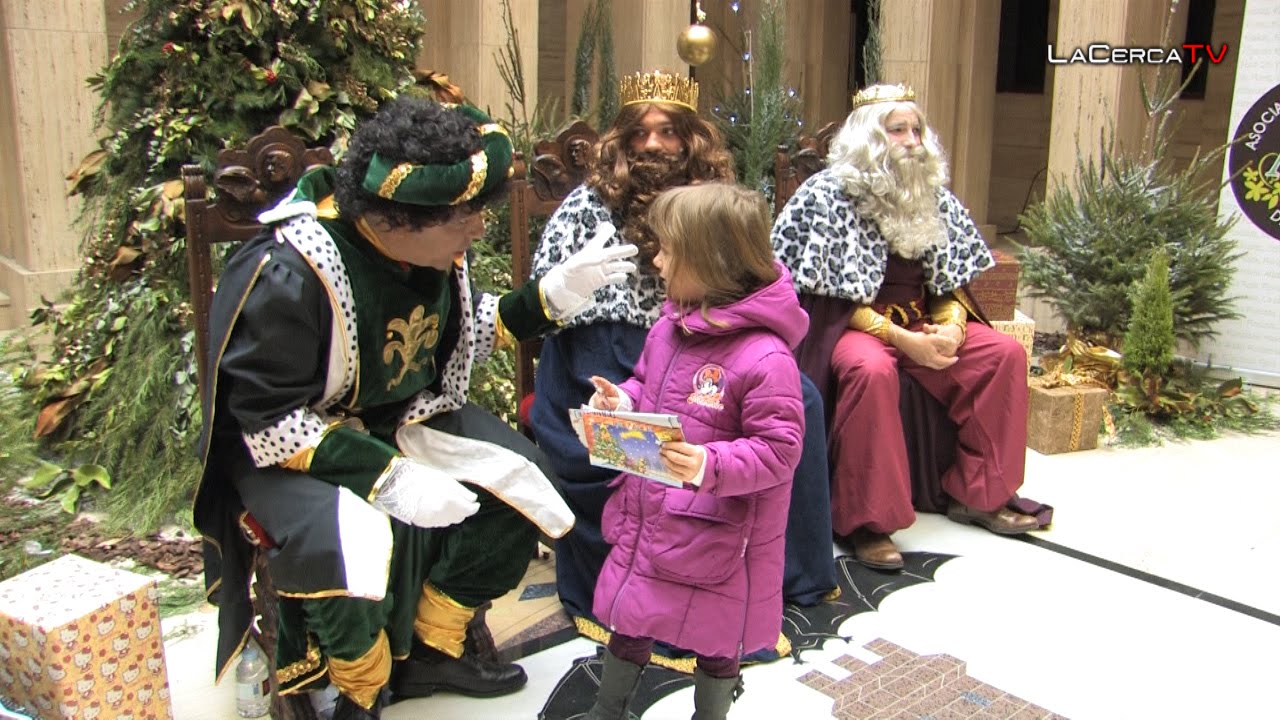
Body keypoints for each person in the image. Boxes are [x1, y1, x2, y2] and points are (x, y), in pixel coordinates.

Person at [193, 94, 639, 719]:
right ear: (399, 218)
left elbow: (466, 328)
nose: (478, 230)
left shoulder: (431, 253)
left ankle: (434, 644)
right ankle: (359, 690)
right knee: (349, 537)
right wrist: (388, 478)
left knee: (523, 482)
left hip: (401, 418)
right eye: (465, 219)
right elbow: (269, 422)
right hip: (300, 448)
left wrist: (552, 295)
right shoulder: (292, 272)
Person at [530, 71, 837, 643]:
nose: (653, 145)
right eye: (640, 133)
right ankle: (659, 587)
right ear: (621, 141)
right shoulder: (585, 207)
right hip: (609, 346)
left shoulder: (718, 201)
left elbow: (749, 284)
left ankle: (778, 572)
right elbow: (564, 317)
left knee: (803, 400)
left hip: (715, 340)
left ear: (692, 139)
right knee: (648, 420)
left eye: (668, 131)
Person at [770, 83, 1039, 572]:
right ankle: (868, 522)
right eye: (899, 130)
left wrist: (952, 329)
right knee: (871, 371)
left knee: (1003, 355)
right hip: (849, 326)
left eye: (917, 129)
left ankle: (979, 494)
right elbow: (822, 297)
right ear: (869, 138)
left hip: (921, 320)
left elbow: (948, 282)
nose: (913, 141)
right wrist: (899, 339)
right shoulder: (824, 197)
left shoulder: (931, 194)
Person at [583, 183, 807, 720]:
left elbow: (780, 449)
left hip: (715, 532)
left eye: (667, 250)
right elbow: (647, 384)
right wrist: (621, 401)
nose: (656, 261)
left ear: (710, 261)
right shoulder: (670, 328)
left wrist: (711, 464)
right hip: (652, 515)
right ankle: (608, 710)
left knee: (717, 634)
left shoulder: (765, 357)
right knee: (632, 615)